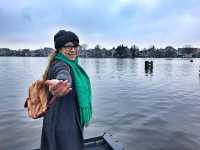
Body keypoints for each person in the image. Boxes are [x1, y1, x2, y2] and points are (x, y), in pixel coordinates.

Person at [40, 30, 92, 150]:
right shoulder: (60, 65)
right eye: (68, 46)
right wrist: (61, 82)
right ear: (59, 49)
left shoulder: (73, 66)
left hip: (66, 120)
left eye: (75, 46)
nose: (73, 50)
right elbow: (63, 74)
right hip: (62, 125)